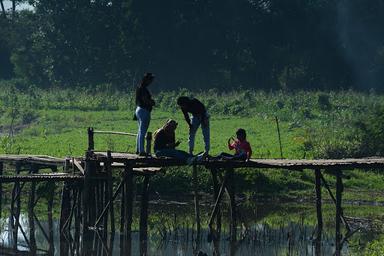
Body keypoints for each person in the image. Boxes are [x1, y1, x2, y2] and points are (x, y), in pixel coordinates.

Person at [135, 73, 155, 155]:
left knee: (140, 131)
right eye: (150, 80)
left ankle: (138, 149)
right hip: (144, 110)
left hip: (139, 109)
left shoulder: (140, 87)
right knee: (143, 131)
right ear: (147, 80)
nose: (151, 82)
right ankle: (142, 151)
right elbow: (145, 100)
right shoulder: (143, 89)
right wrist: (152, 102)